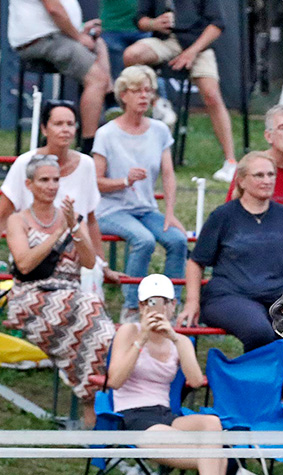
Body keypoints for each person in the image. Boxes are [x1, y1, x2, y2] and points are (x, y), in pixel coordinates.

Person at [105, 274, 240, 475]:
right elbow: (114, 381)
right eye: (148, 303)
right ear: (140, 306)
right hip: (133, 417)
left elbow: (196, 380)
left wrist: (176, 338)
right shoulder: (128, 332)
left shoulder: (179, 341)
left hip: (165, 414)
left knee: (211, 424)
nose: (155, 309)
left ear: (172, 306)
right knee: (217, 455)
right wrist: (141, 338)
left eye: (162, 303)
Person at [177, 152, 283, 400]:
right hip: (228, 295)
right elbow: (196, 262)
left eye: (271, 174)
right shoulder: (224, 216)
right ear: (241, 181)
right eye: (259, 175)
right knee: (259, 330)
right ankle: (247, 397)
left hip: (277, 295)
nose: (267, 180)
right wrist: (192, 301)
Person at [3, 154, 115, 425]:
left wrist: (74, 228)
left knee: (98, 328)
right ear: (29, 185)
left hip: (72, 295)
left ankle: (96, 397)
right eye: (44, 180)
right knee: (89, 311)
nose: (51, 185)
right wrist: (57, 234)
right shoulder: (18, 220)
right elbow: (26, 265)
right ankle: (94, 399)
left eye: (55, 179)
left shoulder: (70, 216)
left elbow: (89, 262)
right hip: (31, 295)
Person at [94, 65, 187, 323]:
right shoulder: (106, 134)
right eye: (137, 91)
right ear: (124, 95)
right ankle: (132, 308)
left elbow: (168, 175)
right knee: (143, 240)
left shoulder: (159, 130)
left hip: (146, 209)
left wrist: (169, 213)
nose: (144, 96)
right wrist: (124, 180)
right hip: (111, 209)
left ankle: (171, 305)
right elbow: (96, 182)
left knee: (178, 240)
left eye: (148, 91)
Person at [0, 101, 117, 283]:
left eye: (70, 124)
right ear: (44, 129)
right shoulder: (25, 164)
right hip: (34, 257)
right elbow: (3, 212)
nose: (65, 130)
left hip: (77, 257)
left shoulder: (86, 164)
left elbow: (91, 220)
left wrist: (102, 264)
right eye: (58, 124)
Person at [125, 0, 238, 182]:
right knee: (131, 55)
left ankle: (231, 162)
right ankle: (158, 103)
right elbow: (140, 20)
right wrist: (154, 24)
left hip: (199, 45)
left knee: (212, 96)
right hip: (164, 41)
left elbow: (217, 25)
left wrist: (191, 52)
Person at [7, 0, 112, 152]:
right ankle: (89, 147)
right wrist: (79, 37)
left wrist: (80, 29)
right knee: (97, 79)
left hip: (54, 37)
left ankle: (111, 99)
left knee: (99, 44)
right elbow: (54, 10)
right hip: (44, 40)